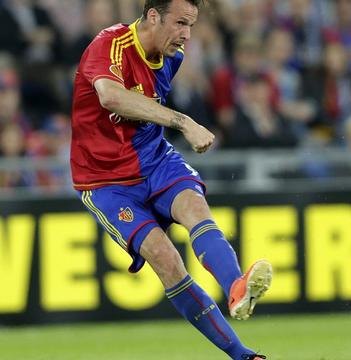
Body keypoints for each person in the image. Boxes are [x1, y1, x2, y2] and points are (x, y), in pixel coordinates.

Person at [69, 1, 271, 359]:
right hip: (105, 181)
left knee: (195, 209)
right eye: (179, 23)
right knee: (167, 260)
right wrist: (184, 122)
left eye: (190, 25)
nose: (186, 35)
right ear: (152, 16)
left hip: (155, 159)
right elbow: (111, 97)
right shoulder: (109, 44)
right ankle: (243, 354)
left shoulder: (170, 57)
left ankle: (237, 286)